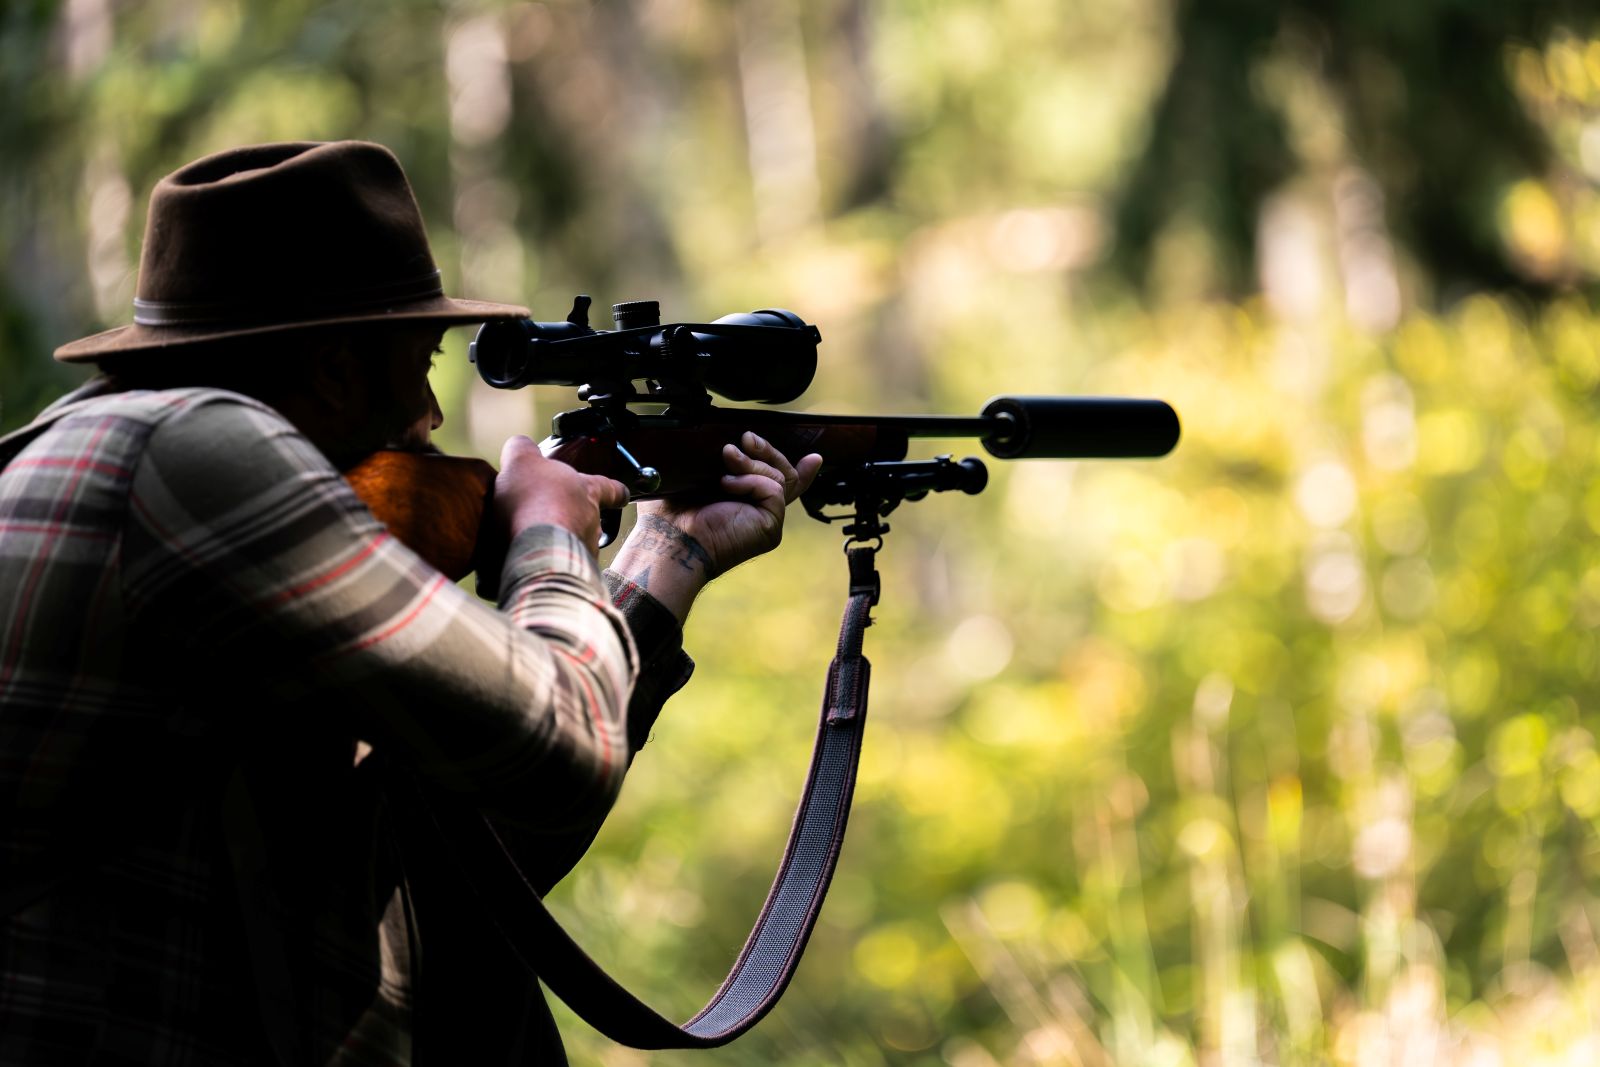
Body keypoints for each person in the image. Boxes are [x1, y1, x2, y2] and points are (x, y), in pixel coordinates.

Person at [0, 140, 821, 1065]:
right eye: (419, 360)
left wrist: (673, 551)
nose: (431, 412)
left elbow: (456, 857)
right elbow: (564, 750)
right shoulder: (197, 458)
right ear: (339, 366)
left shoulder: (109, 455)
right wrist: (548, 531)